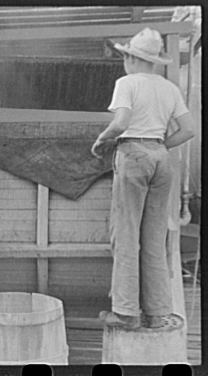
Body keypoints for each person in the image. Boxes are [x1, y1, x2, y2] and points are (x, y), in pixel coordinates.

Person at [91, 28, 195, 329]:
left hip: (133, 155)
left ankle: (125, 312)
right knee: (153, 238)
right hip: (161, 160)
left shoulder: (126, 83)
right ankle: (158, 312)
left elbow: (121, 122)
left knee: (126, 235)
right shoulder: (169, 88)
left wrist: (102, 138)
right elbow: (188, 130)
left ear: (131, 58)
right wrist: (161, 146)